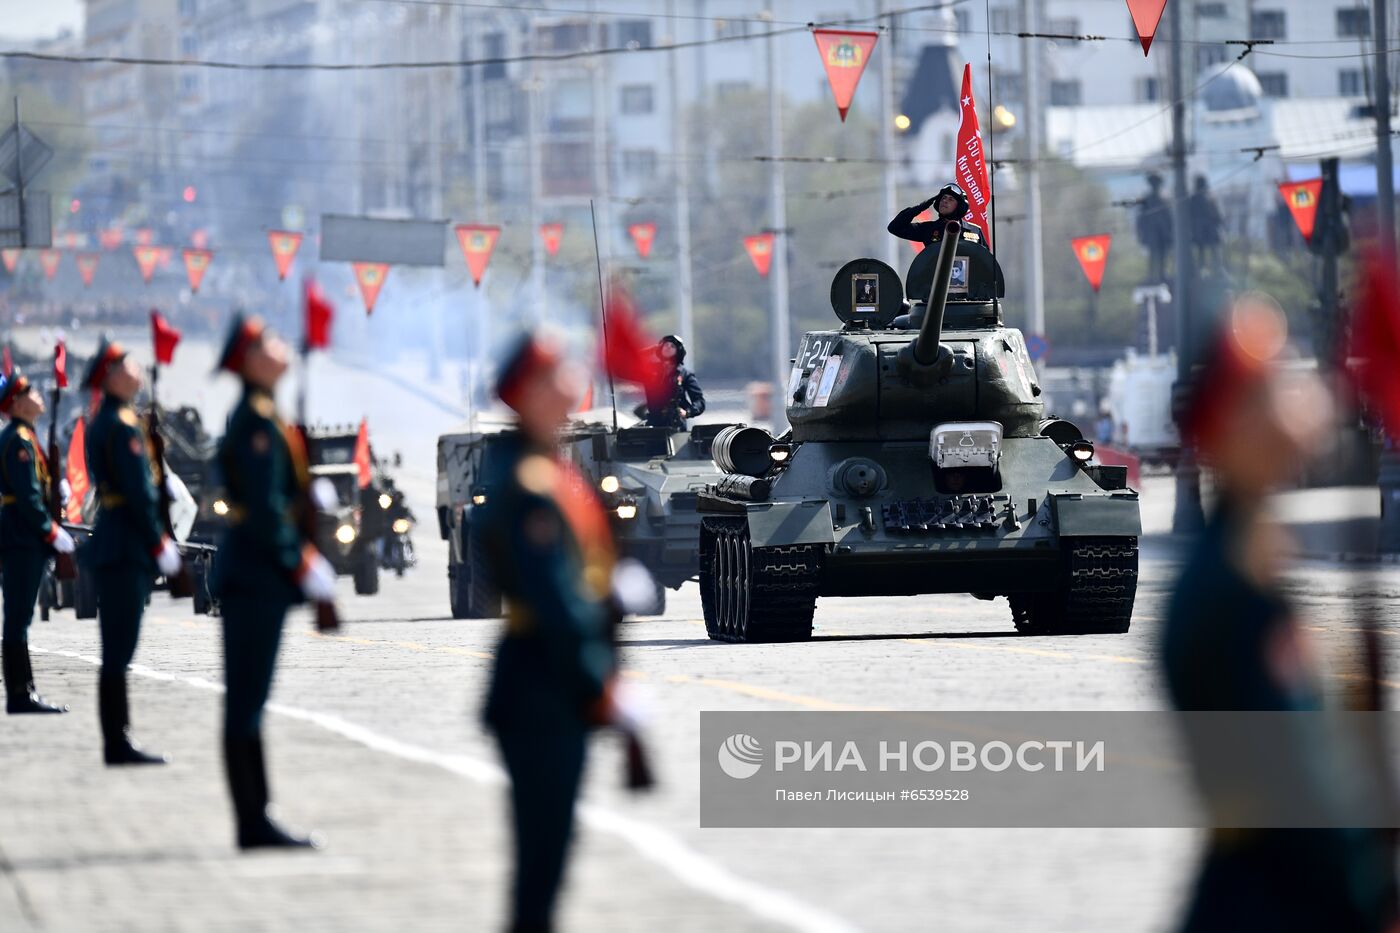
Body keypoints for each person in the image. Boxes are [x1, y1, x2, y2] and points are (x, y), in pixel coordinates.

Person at [1163, 293, 1397, 932]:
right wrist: (1372, 888)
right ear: (1228, 426)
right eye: (1273, 389)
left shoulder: (1251, 563)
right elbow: (1299, 785)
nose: (1301, 400)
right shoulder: (1233, 588)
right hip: (1278, 904)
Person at [476, 333, 628, 933]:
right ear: (534, 392)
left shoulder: (542, 469)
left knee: (549, 854)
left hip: (550, 679)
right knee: (542, 854)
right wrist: (600, 681)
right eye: (561, 374)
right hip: (544, 683)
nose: (574, 384)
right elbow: (557, 601)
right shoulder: (531, 482)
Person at [213, 313, 336, 849]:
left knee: (249, 699)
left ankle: (255, 816)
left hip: (256, 569)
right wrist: (300, 560)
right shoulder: (258, 420)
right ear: (253, 360)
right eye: (272, 342)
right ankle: (252, 820)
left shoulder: (262, 413)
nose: (283, 347)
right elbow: (264, 510)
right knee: (246, 700)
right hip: (256, 571)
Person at [83, 336, 182, 764]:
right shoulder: (122, 425)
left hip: (115, 536)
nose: (138, 372)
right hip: (126, 540)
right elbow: (140, 492)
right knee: (119, 648)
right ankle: (117, 741)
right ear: (112, 376)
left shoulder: (105, 420)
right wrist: (159, 540)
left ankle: (117, 738)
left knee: (116, 647)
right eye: (130, 366)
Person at [0, 370, 75, 714]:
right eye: (29, 391)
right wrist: (50, 531)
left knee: (20, 615)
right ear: (16, 403)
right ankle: (19, 694)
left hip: (21, 534)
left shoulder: (24, 435)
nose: (38, 395)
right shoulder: (18, 439)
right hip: (21, 535)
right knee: (18, 616)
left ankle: (23, 689)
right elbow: (27, 496)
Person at [887, 182, 987, 248]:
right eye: (943, 198)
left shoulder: (974, 231)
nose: (945, 201)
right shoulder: (928, 229)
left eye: (950, 199)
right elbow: (894, 228)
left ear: (959, 206)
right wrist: (920, 207)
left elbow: (985, 260)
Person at [641, 335, 705, 431]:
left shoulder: (685, 375)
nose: (668, 347)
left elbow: (699, 401)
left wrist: (687, 412)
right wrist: (652, 349)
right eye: (666, 345)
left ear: (678, 351)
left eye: (672, 346)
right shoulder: (650, 371)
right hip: (654, 424)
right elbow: (628, 360)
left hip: (676, 426)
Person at [1136, 172, 1174, 283]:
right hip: (1152, 234)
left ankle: (1162, 274)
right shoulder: (1146, 200)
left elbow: (1170, 218)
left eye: (1157, 183)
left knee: (1163, 255)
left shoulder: (1164, 199)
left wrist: (1170, 233)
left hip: (1164, 234)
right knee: (1153, 256)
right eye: (1154, 183)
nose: (1156, 186)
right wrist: (1141, 235)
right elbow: (1141, 220)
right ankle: (1151, 275)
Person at [1189, 174, 1225, 270]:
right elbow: (1190, 217)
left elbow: (1218, 216)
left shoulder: (1210, 198)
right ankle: (1201, 272)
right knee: (1201, 254)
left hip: (1210, 231)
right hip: (1200, 232)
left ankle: (1218, 270)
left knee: (1214, 251)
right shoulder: (1193, 199)